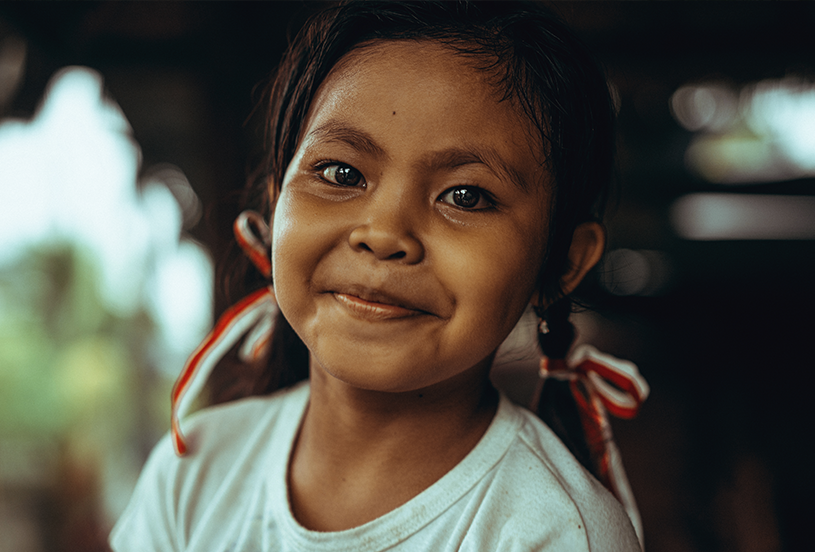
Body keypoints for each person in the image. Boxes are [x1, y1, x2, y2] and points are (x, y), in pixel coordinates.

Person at [110, 1, 649, 550]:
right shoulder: (193, 473)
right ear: (275, 212)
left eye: (466, 196)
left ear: (562, 262)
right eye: (341, 173)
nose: (385, 233)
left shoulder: (554, 531)